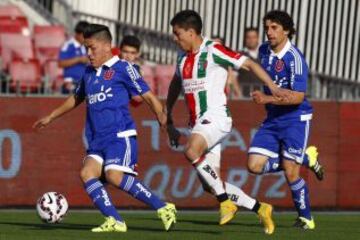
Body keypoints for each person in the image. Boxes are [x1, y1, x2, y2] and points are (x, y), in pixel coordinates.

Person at [34, 24, 176, 233]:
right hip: (96, 139)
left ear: (107, 45)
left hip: (120, 135)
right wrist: (51, 116)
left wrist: (162, 118)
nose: (88, 54)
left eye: (92, 48)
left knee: (113, 176)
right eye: (86, 49)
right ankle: (115, 221)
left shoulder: (123, 68)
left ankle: (163, 207)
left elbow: (148, 95)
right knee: (86, 173)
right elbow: (76, 97)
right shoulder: (89, 72)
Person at [166, 10, 287, 232]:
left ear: (191, 32)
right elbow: (175, 84)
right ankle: (260, 208)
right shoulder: (182, 58)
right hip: (198, 124)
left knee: (191, 151)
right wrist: (169, 114)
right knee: (209, 185)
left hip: (216, 117)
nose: (175, 38)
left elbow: (248, 64)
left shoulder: (213, 50)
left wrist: (272, 85)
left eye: (177, 33)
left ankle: (225, 202)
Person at [247, 10, 324, 230]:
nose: (269, 32)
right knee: (253, 165)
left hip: (295, 118)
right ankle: (306, 159)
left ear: (287, 30)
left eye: (274, 28)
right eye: (267, 28)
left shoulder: (295, 59)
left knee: (291, 171)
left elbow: (298, 97)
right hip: (273, 118)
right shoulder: (263, 50)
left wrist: (266, 98)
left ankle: (306, 219)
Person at [58, 21, 89, 94]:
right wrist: (79, 59)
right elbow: (61, 63)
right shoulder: (68, 45)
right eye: (84, 35)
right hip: (71, 82)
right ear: (78, 34)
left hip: (84, 82)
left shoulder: (85, 46)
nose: (86, 38)